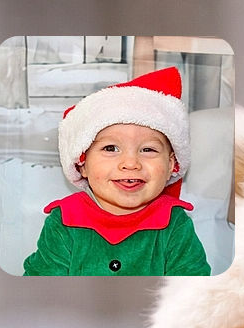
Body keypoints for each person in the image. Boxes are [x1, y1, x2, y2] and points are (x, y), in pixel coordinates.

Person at [24, 67, 210, 276]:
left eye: (147, 149)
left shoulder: (175, 223)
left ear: (171, 166)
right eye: (111, 148)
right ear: (82, 163)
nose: (131, 163)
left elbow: (195, 292)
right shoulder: (64, 220)